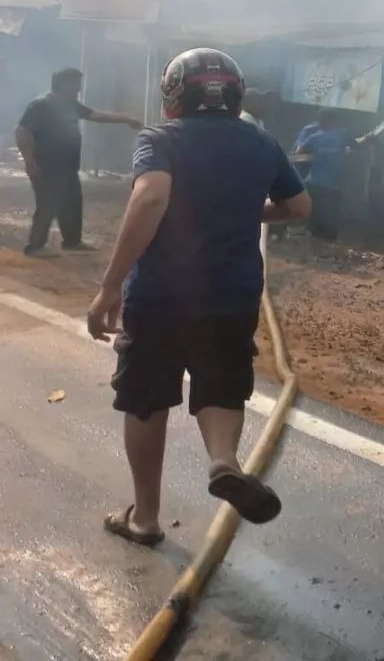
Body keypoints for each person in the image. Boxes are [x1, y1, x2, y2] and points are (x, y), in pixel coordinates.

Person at [87, 49, 311, 545]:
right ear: (234, 94)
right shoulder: (261, 142)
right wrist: (243, 211)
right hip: (231, 296)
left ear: (174, 94)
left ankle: (144, 520)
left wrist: (108, 286)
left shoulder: (161, 139)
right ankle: (223, 463)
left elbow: (150, 197)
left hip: (161, 296)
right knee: (221, 385)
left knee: (146, 400)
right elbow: (298, 207)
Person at [14, 67, 141, 255]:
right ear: (64, 84)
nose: (79, 89)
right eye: (76, 84)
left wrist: (126, 119)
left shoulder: (70, 104)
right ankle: (35, 246)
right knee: (47, 205)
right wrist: (30, 161)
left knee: (72, 203)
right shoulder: (41, 105)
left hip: (67, 167)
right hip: (46, 167)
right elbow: (22, 132)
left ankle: (72, 241)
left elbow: (96, 115)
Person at [291, 108, 363, 241]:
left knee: (315, 218)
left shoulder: (314, 137)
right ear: (335, 121)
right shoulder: (342, 135)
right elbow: (357, 144)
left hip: (315, 183)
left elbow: (298, 152)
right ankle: (326, 242)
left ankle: (314, 242)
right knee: (331, 221)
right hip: (334, 186)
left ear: (320, 122)